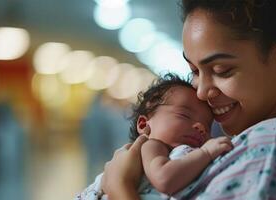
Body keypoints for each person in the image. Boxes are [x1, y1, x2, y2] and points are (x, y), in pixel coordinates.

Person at [98, 0, 276, 199]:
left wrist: (120, 188)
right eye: (195, 71)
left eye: (222, 70)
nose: (200, 93)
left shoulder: (273, 148)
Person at [76, 74, 233, 199]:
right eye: (185, 115)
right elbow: (164, 179)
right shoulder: (153, 146)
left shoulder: (185, 152)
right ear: (144, 125)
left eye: (207, 125)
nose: (200, 127)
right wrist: (205, 153)